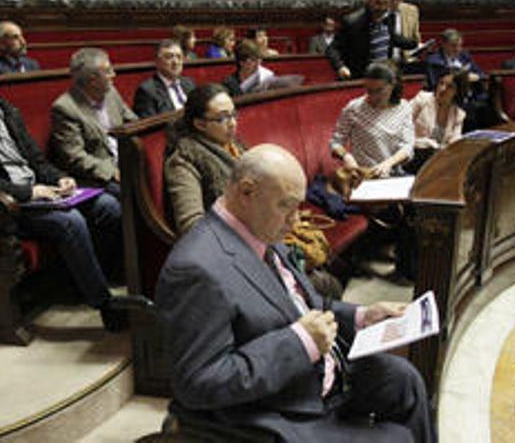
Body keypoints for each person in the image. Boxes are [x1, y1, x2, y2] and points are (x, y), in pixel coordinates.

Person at [157, 144, 436, 442]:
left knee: (405, 381)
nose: (294, 220)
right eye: (285, 206)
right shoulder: (195, 269)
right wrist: (299, 342)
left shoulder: (261, 229)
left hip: (319, 377)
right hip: (273, 409)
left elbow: (304, 306)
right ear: (247, 192)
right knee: (396, 439)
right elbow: (198, 383)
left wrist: (361, 316)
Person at [0, 42, 128, 332]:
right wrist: (27, 192)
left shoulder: (7, 110)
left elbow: (35, 159)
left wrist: (58, 177)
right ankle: (103, 304)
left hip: (38, 193)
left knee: (108, 206)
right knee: (69, 222)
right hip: (0, 205)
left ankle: (79, 279)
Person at [50, 48, 137, 196]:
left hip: (126, 161)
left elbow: (134, 123)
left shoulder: (111, 93)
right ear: (93, 80)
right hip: (98, 175)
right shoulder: (65, 108)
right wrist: (112, 172)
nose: (113, 75)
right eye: (108, 71)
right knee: (132, 192)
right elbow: (75, 156)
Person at [164, 83, 243, 235]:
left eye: (233, 115)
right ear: (200, 124)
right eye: (222, 118)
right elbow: (192, 226)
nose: (233, 123)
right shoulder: (184, 161)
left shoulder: (235, 146)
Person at [330, 61, 414, 178]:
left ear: (393, 85)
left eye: (379, 90)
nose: (373, 96)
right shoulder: (354, 108)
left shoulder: (404, 107)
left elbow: (407, 146)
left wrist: (388, 164)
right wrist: (347, 157)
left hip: (393, 173)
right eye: (369, 91)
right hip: (362, 174)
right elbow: (335, 143)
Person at [326, 0, 418, 80]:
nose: (382, 8)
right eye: (378, 3)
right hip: (360, 78)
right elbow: (332, 49)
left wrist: (414, 45)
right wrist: (341, 67)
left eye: (385, 3)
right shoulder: (352, 22)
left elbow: (391, 38)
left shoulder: (390, 17)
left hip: (385, 76)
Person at [424, 28, 488, 131]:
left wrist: (476, 77)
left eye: (460, 45)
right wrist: (461, 78)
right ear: (443, 44)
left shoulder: (464, 56)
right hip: (450, 100)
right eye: (454, 46)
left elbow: (481, 74)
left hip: (471, 98)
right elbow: (435, 85)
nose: (458, 49)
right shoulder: (434, 61)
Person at [132, 39, 196, 118]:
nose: (175, 62)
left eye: (179, 57)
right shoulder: (147, 91)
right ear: (157, 61)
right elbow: (150, 126)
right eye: (169, 57)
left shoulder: (189, 83)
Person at [384, 0, 423, 66]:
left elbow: (416, 40)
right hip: (384, 63)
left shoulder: (412, 11)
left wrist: (422, 48)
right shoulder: (378, 11)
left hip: (406, 62)